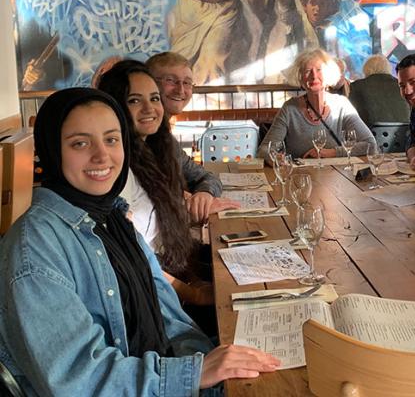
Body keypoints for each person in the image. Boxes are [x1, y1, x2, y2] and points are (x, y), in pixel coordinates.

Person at [0, 88, 279, 395]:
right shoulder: (36, 247)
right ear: (52, 150)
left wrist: (209, 365)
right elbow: (77, 380)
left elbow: (169, 318)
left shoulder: (114, 217)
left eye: (111, 139)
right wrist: (194, 372)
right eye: (80, 143)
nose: (101, 155)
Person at [98, 61, 238, 331]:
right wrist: (193, 293)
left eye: (153, 98)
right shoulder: (116, 168)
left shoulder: (158, 146)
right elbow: (131, 260)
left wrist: (199, 199)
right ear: (114, 107)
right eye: (134, 100)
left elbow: (203, 179)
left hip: (174, 268)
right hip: (156, 295)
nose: (150, 108)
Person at [146, 52, 226, 223]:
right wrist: (185, 202)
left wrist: (204, 194)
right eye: (170, 80)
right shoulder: (136, 141)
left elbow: (208, 177)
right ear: (149, 84)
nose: (181, 90)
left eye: (187, 83)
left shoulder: (166, 138)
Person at [258, 49, 376, 160]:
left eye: (319, 70)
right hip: (301, 178)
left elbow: (370, 145)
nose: (314, 76)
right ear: (300, 78)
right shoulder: (289, 109)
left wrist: (331, 153)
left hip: (337, 178)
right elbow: (264, 150)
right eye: (308, 71)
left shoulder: (342, 106)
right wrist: (276, 158)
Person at [349, 54, 410, 127]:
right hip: (404, 135)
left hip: (369, 135)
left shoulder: (356, 86)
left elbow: (351, 116)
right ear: (388, 68)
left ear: (366, 68)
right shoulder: (402, 85)